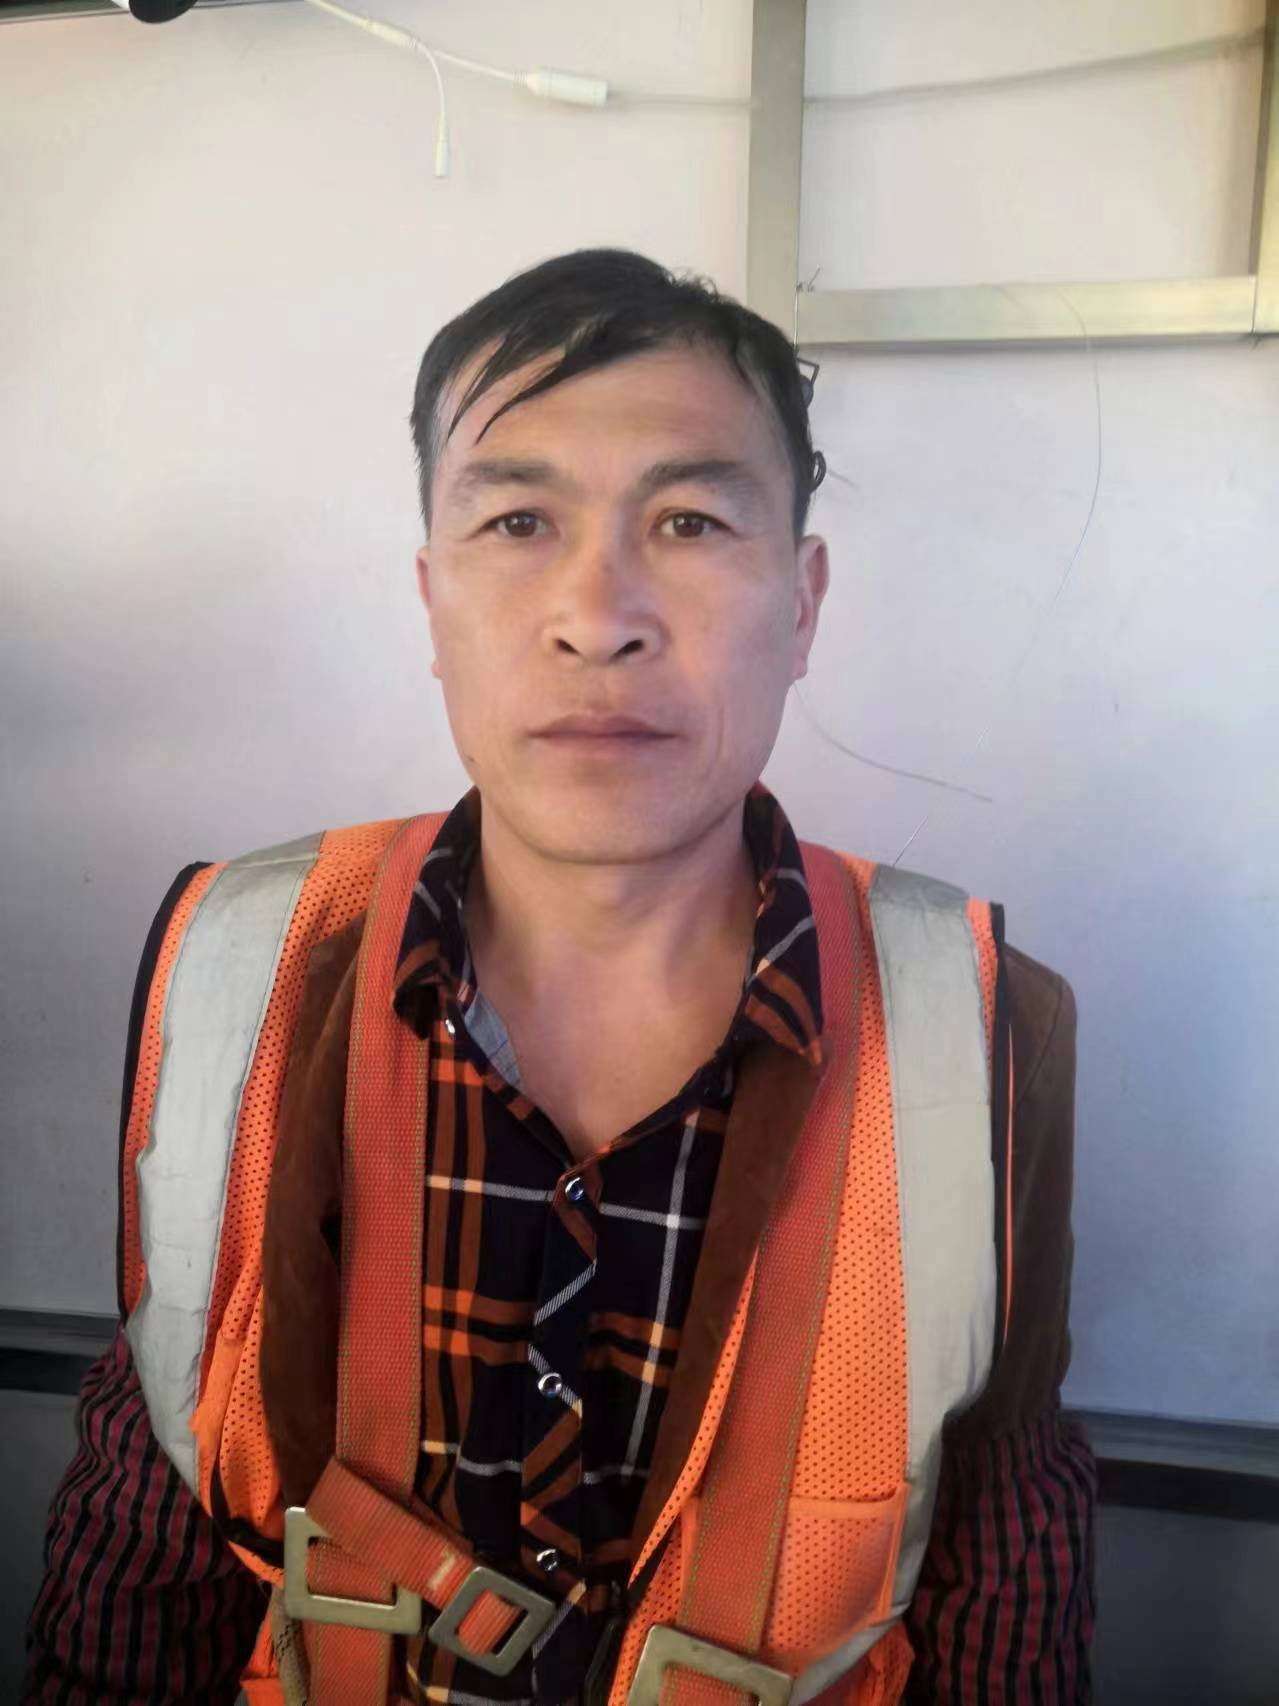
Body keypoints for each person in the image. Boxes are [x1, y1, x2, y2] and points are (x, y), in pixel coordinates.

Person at [23, 248, 1095, 1706]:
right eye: (518, 519)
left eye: (690, 520)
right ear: (432, 598)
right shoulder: (244, 973)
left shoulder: (981, 1029)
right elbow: (146, 1523)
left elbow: (1006, 1567)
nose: (599, 615)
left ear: (803, 603)